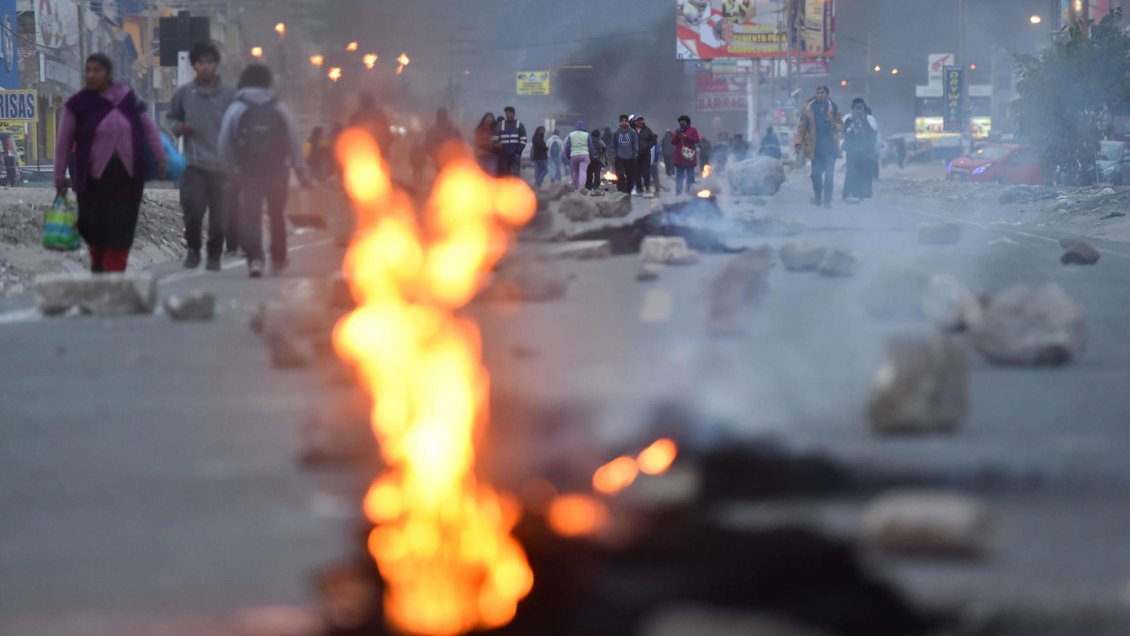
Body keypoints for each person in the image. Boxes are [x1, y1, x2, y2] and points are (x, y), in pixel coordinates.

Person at [54, 53, 167, 273]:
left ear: (108, 73)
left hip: (127, 177)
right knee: (93, 227)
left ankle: (115, 273)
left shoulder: (128, 99)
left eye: (97, 70)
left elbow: (149, 129)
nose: (91, 75)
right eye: (88, 70)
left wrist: (160, 157)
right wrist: (59, 175)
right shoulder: (77, 105)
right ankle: (98, 263)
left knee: (121, 227)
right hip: (92, 177)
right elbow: (63, 141)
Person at [217, 63, 310, 277]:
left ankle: (255, 259)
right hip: (278, 171)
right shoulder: (279, 108)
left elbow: (224, 142)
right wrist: (301, 171)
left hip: (248, 172)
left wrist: (231, 168)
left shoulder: (237, 108)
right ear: (268, 82)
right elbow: (294, 141)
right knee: (277, 214)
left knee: (251, 215)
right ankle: (278, 258)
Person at [168, 41, 237, 270]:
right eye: (200, 62)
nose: (205, 66)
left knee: (219, 215)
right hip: (194, 164)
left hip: (222, 165)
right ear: (194, 66)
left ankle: (215, 253)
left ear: (215, 65)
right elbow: (171, 118)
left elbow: (239, 122)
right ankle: (193, 250)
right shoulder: (184, 94)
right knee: (193, 209)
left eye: (209, 62)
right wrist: (179, 128)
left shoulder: (229, 95)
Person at [795, 85, 844, 208]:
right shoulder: (809, 109)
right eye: (818, 92)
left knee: (829, 175)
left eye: (822, 92)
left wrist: (833, 126)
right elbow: (802, 128)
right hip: (815, 148)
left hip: (830, 148)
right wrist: (798, 143)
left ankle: (827, 201)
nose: (819, 95)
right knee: (816, 175)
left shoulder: (833, 108)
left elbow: (841, 125)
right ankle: (817, 196)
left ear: (827, 94)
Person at [841, 97, 879, 202]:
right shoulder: (847, 119)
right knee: (851, 172)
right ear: (852, 109)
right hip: (852, 151)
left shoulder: (870, 119)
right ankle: (848, 192)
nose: (857, 111)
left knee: (863, 173)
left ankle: (861, 193)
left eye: (860, 108)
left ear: (863, 108)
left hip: (865, 152)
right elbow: (841, 132)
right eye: (855, 108)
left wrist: (863, 121)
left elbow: (873, 132)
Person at [423, 107, 462, 171]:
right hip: (448, 158)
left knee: (442, 174)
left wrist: (430, 155)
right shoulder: (453, 129)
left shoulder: (432, 130)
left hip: (440, 158)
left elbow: (427, 145)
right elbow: (459, 142)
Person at [671, 114, 700, 195]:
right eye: (680, 122)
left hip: (689, 157)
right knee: (679, 177)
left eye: (683, 122)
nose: (682, 124)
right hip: (679, 158)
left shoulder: (693, 130)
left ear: (687, 123)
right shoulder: (677, 130)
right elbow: (673, 142)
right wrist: (677, 134)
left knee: (690, 177)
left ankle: (691, 192)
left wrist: (686, 136)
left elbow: (697, 140)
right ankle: (678, 192)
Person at [495, 106, 527, 177]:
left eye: (510, 113)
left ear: (514, 114)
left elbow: (523, 140)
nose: (509, 115)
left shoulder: (519, 125)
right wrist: (496, 144)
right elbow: (495, 138)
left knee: (515, 175)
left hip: (515, 155)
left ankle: (515, 187)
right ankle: (506, 187)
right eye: (507, 114)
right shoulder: (500, 125)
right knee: (505, 175)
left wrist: (518, 152)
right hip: (504, 155)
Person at [612, 114, 638, 194]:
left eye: (626, 121)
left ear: (628, 122)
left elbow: (635, 145)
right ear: (620, 122)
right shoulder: (616, 133)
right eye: (622, 121)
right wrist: (614, 156)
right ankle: (621, 192)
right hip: (619, 158)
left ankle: (628, 192)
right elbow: (613, 146)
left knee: (630, 176)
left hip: (630, 158)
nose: (624, 122)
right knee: (620, 175)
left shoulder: (633, 132)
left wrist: (635, 155)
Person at [632, 114, 657, 197]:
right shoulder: (631, 130)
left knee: (646, 172)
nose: (640, 122)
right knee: (636, 172)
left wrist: (647, 146)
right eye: (638, 120)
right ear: (634, 121)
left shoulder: (647, 130)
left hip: (646, 154)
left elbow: (653, 141)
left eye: (641, 120)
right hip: (635, 155)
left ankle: (647, 187)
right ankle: (639, 188)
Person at [564, 120, 590, 191]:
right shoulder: (587, 135)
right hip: (584, 155)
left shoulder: (571, 135)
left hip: (574, 156)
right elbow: (591, 146)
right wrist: (591, 155)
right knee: (583, 171)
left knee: (575, 172)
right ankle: (581, 187)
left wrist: (568, 156)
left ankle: (575, 187)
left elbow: (567, 146)